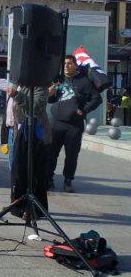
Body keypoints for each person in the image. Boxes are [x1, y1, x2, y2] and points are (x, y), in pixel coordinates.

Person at [47, 55, 101, 193]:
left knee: (71, 155)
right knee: (50, 153)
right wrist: (50, 94)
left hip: (74, 125)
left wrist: (84, 110)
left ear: (75, 65)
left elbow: (97, 99)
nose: (66, 66)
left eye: (69, 63)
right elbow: (51, 100)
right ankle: (48, 179)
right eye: (64, 63)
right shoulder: (57, 79)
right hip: (55, 123)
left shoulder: (84, 81)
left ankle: (68, 181)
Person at [8, 83, 51, 220]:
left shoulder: (39, 86)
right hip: (17, 132)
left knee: (33, 173)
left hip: (35, 136)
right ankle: (18, 206)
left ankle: (33, 208)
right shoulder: (16, 85)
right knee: (17, 172)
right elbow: (10, 111)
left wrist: (16, 95)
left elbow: (35, 108)